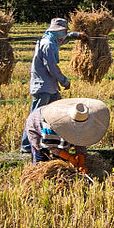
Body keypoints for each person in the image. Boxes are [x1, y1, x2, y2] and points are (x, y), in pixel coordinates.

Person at [21, 18, 85, 153]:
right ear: (57, 32)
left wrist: (76, 35)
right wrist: (64, 81)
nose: (64, 34)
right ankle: (26, 146)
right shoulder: (48, 44)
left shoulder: (52, 40)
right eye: (63, 31)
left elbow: (65, 39)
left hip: (50, 87)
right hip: (43, 87)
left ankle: (61, 142)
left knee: (58, 114)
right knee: (35, 117)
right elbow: (52, 67)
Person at [23, 97, 110, 172]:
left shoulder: (80, 120)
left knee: (61, 160)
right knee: (41, 156)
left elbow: (80, 142)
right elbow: (52, 146)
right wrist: (69, 157)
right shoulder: (52, 123)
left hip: (54, 130)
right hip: (36, 127)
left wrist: (81, 162)